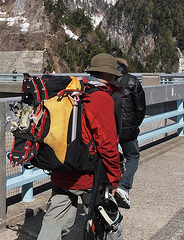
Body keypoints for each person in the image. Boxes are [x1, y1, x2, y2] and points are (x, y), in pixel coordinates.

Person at [37, 53, 123, 240]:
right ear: (111, 75)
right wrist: (115, 177)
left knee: (54, 222)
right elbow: (107, 143)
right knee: (107, 223)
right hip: (88, 176)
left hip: (61, 168)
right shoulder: (100, 97)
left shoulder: (70, 93)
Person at [108, 48, 146, 209]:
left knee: (109, 155)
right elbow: (141, 107)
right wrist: (134, 124)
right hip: (128, 129)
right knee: (133, 156)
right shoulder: (132, 80)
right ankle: (123, 187)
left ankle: (108, 187)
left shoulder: (105, 80)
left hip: (109, 128)